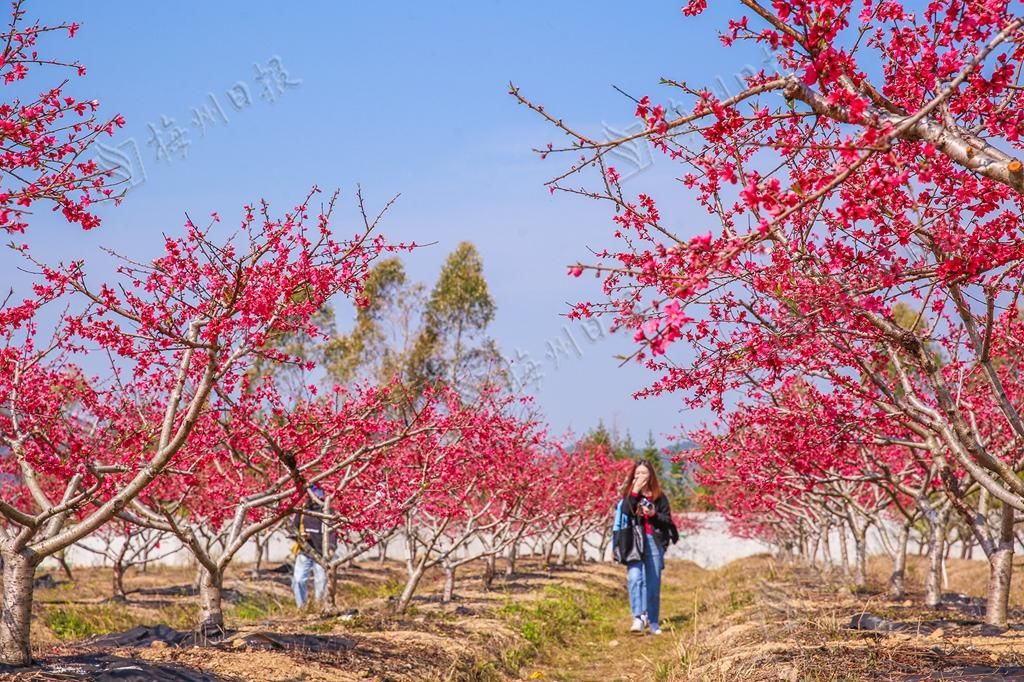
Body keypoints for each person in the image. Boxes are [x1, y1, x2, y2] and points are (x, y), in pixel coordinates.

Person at [620, 460, 676, 635]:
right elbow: (626, 512)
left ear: (651, 475)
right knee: (635, 578)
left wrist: (654, 514)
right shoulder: (630, 495)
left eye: (643, 473)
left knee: (653, 582)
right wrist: (634, 492)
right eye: (637, 474)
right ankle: (638, 617)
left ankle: (653, 621)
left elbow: (668, 520)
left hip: (653, 541)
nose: (640, 477)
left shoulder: (659, 497)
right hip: (633, 542)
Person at [292, 486, 335, 608]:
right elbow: (293, 528)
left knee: (321, 581)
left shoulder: (327, 512)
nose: (316, 499)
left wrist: (331, 548)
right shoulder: (302, 512)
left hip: (321, 553)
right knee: (299, 580)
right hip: (304, 551)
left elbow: (333, 532)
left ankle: (318, 606)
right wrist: (301, 536)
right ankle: (301, 607)